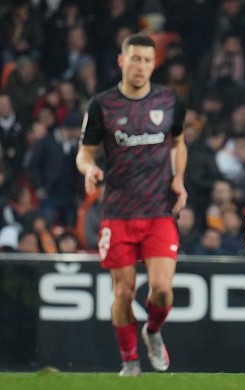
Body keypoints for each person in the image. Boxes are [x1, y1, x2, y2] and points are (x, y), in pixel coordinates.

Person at [76, 33, 187, 377]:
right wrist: (90, 168)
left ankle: (152, 332)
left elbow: (179, 143)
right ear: (122, 61)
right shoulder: (102, 105)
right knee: (123, 292)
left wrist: (178, 178)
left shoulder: (170, 101)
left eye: (147, 60)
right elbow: (84, 153)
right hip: (118, 213)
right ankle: (130, 362)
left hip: (158, 211)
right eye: (135, 58)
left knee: (162, 291)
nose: (141, 66)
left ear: (155, 64)